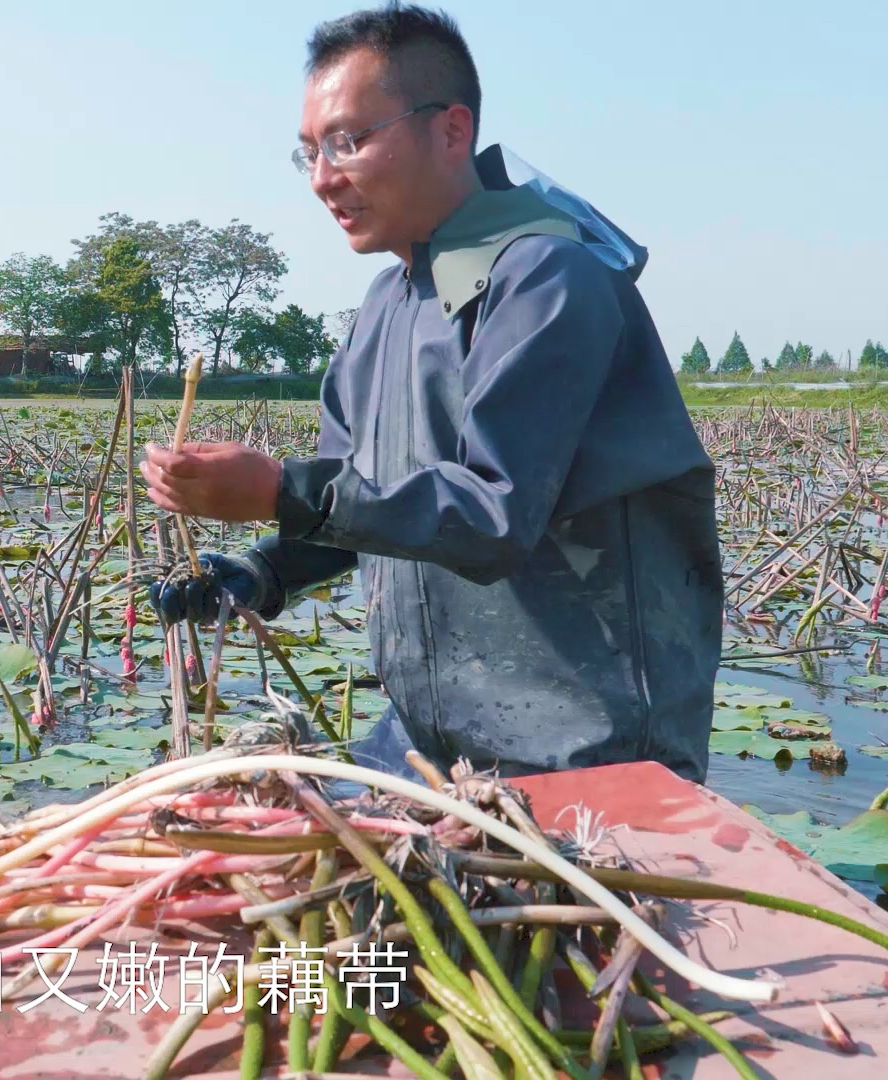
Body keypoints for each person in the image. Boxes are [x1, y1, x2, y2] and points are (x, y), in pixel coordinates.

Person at [143, 4, 722, 782]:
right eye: (308, 152)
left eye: (348, 141)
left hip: (584, 752)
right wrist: (258, 570)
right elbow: (355, 512)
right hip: (428, 741)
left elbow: (491, 516)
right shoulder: (383, 309)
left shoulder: (549, 279)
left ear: (451, 131)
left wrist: (280, 487)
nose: (322, 178)